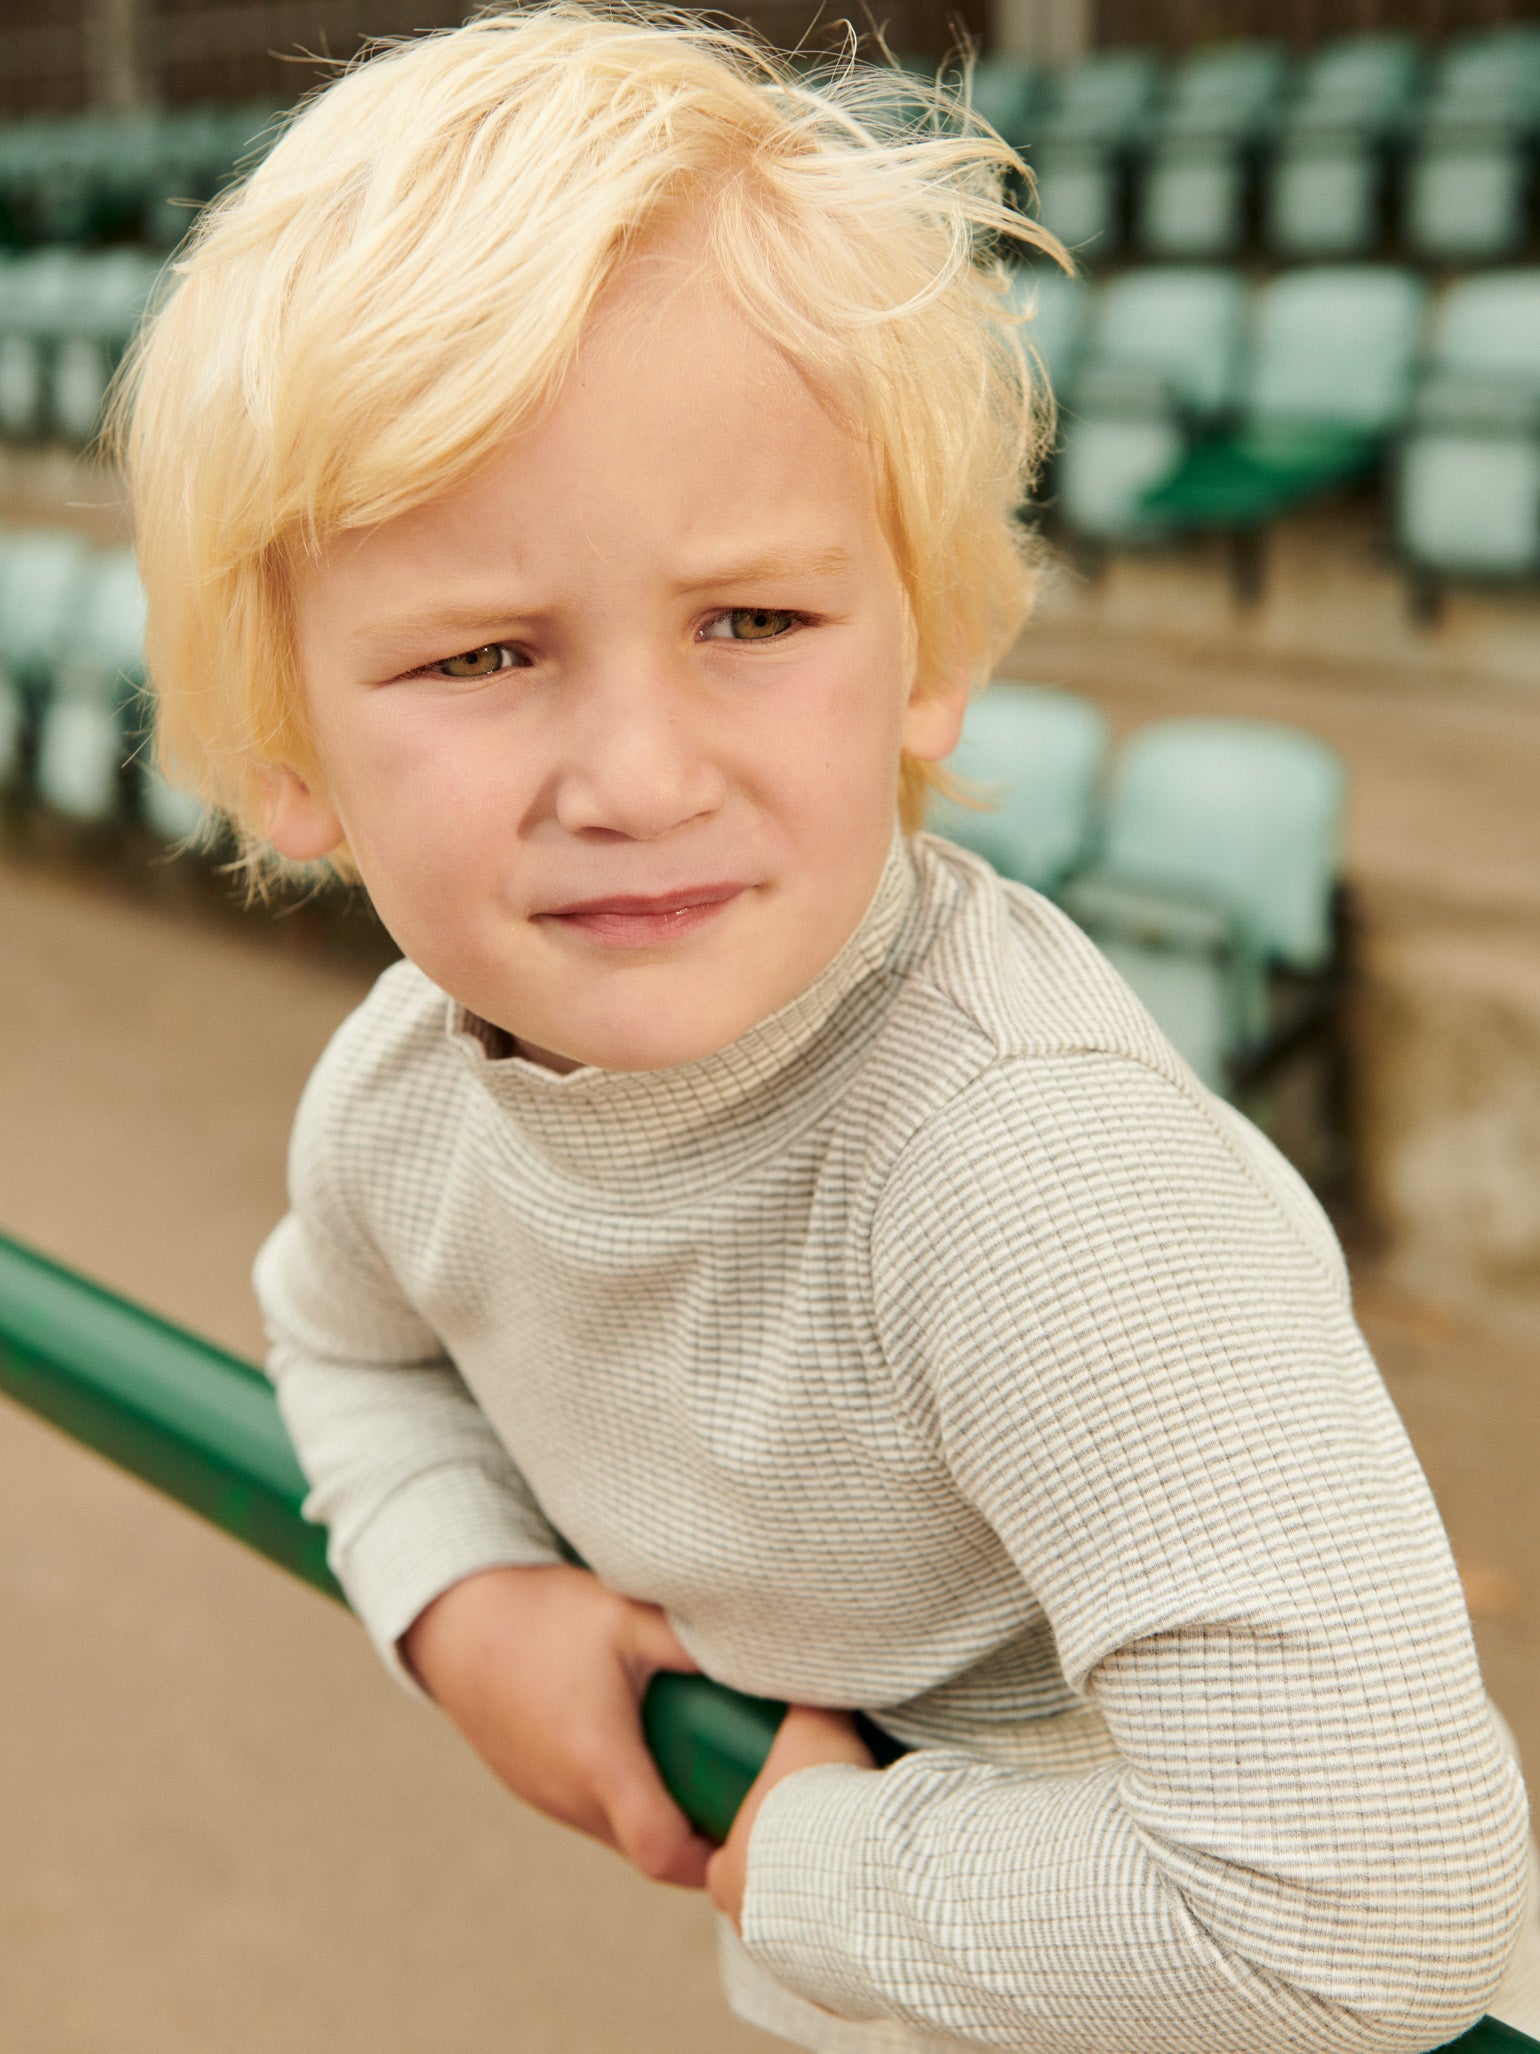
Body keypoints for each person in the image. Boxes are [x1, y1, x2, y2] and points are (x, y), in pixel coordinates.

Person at [113, 7, 1538, 2048]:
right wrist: (455, 1595)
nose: (634, 769)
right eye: (485, 650)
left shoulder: (1024, 1176)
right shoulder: (406, 1093)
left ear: (926, 657)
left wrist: (805, 1874)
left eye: (749, 623)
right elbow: (339, 1334)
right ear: (289, 752)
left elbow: (1365, 1899)